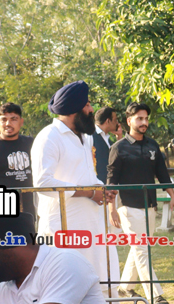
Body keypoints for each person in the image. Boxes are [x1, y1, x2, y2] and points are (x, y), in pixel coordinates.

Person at [31, 81, 120, 287]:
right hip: (64, 226)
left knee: (100, 280)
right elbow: (43, 182)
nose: (91, 109)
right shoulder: (49, 137)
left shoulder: (86, 137)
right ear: (74, 110)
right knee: (66, 283)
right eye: (87, 105)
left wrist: (100, 188)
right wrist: (89, 193)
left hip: (92, 222)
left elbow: (86, 173)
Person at [108, 103, 174, 304]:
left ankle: (125, 287)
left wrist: (173, 197)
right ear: (129, 121)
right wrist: (112, 209)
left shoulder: (153, 146)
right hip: (128, 207)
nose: (144, 122)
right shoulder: (118, 148)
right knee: (142, 249)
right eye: (139, 118)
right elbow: (111, 181)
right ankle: (155, 295)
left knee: (139, 248)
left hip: (150, 206)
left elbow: (162, 174)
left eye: (146, 118)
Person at [92, 107, 120, 184]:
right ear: (108, 121)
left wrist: (119, 137)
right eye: (115, 120)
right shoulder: (90, 136)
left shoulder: (108, 139)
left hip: (107, 186)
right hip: (96, 186)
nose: (117, 123)